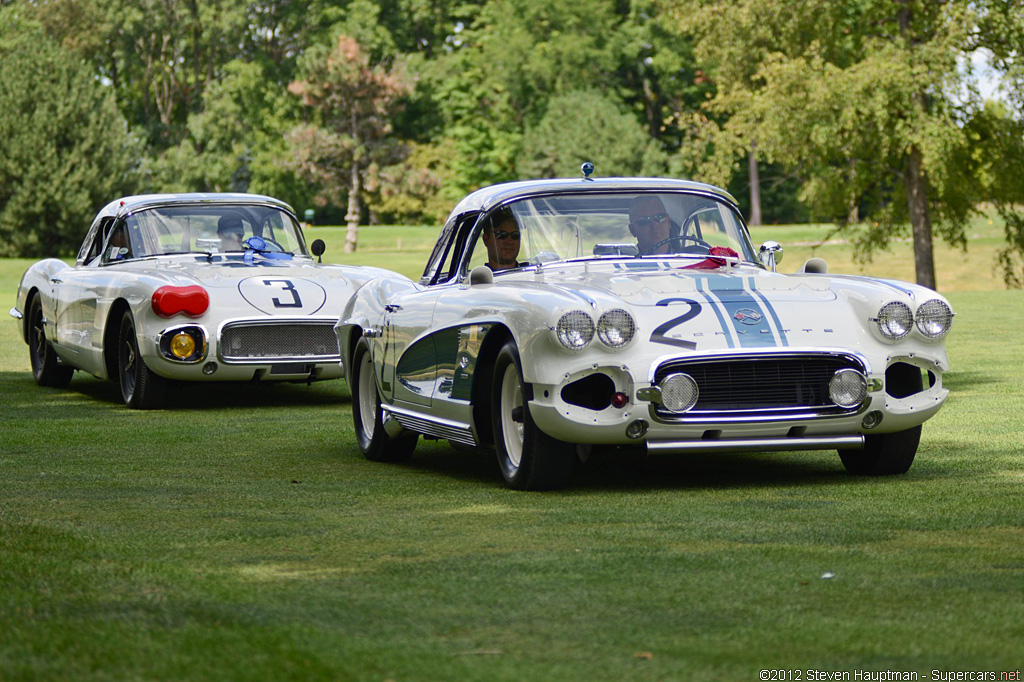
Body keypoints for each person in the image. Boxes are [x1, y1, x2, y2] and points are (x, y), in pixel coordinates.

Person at [481, 207, 525, 271]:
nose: (509, 241)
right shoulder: (480, 279)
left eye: (515, 235)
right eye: (501, 235)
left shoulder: (532, 273)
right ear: (486, 239)